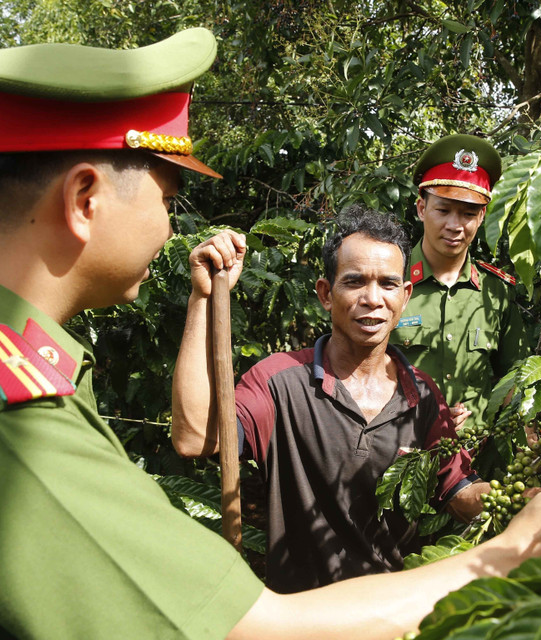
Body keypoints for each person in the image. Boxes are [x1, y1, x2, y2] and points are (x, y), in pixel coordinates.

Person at [0, 30, 541, 640]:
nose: (166, 226)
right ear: (86, 198)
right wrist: (511, 552)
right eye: (167, 197)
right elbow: (247, 627)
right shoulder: (0, 414)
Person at [172, 206, 489, 593]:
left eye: (388, 284)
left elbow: (461, 493)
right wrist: (202, 298)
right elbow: (194, 438)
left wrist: (526, 500)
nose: (372, 299)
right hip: (299, 619)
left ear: (404, 297)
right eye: (354, 282)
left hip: (387, 616)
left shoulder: (421, 394)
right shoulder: (279, 381)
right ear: (326, 293)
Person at [394, 134, 526, 433]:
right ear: (421, 209)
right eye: (443, 210)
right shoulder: (388, 282)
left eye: (468, 214)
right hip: (398, 456)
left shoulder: (496, 292)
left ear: (481, 217)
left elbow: (513, 379)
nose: (454, 226)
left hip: (476, 463)